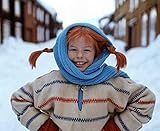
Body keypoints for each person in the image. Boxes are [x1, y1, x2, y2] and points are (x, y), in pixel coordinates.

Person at [10, 23, 156, 131]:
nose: (79, 55)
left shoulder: (112, 82)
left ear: (97, 52)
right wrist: (46, 126)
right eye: (73, 49)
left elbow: (145, 100)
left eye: (87, 50)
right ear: (63, 51)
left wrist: (115, 128)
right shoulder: (51, 82)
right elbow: (19, 99)